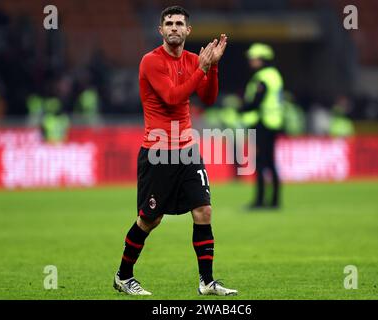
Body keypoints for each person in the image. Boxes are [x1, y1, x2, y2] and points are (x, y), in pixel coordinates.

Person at [113, 6, 237, 296]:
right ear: (161, 30)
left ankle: (206, 282)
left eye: (179, 23)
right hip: (157, 153)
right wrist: (202, 70)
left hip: (186, 150)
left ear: (188, 30)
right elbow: (172, 97)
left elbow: (207, 97)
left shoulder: (195, 60)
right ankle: (123, 276)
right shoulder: (151, 61)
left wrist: (213, 66)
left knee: (204, 211)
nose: (173, 27)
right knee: (149, 220)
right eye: (168, 23)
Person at [240, 43, 284, 210]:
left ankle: (260, 201)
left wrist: (242, 108)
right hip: (273, 122)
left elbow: (257, 101)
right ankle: (274, 201)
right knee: (270, 163)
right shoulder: (274, 75)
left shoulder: (263, 77)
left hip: (263, 123)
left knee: (260, 163)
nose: (251, 61)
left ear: (262, 59)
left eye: (254, 58)